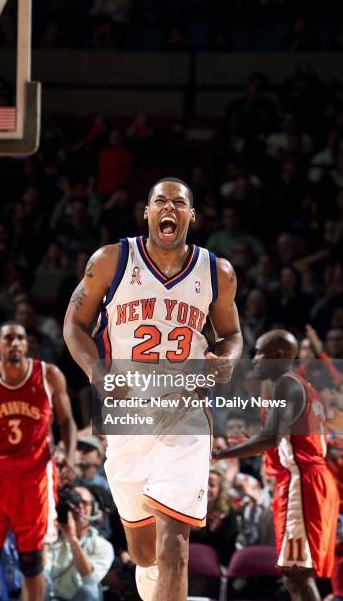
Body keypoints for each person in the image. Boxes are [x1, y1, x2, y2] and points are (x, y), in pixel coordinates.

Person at [63, 177, 243, 601]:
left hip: (184, 413)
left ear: (191, 216)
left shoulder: (217, 272)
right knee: (145, 553)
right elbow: (74, 324)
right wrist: (95, 370)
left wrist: (228, 359)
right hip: (128, 414)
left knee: (175, 540)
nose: (169, 207)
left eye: (178, 202)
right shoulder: (110, 260)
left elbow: (232, 334)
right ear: (147, 213)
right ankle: (152, 582)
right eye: (160, 201)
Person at [0, 321, 77, 601]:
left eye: (20, 338)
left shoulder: (49, 375)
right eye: (9, 338)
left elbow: (67, 421)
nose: (15, 343)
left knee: (32, 564)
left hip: (33, 481)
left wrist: (68, 455)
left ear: (27, 344)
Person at [214, 329, 340, 601]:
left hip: (304, 482)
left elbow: (270, 438)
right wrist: (254, 440)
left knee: (297, 573)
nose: (255, 358)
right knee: (291, 572)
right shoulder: (297, 385)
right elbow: (284, 438)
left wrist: (218, 456)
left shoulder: (286, 383)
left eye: (260, 352)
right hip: (305, 479)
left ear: (279, 355)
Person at [46, 485, 114, 600]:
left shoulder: (103, 546)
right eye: (73, 501)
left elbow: (89, 578)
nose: (78, 507)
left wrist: (73, 540)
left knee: (89, 591)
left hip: (77, 597)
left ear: (93, 509)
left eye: (84, 503)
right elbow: (42, 572)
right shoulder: (51, 536)